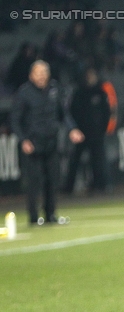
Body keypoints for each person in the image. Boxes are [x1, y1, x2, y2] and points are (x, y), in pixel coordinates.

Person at [10, 60, 84, 225]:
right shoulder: (24, 93)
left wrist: (72, 129)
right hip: (33, 144)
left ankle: (50, 214)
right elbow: (15, 120)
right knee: (34, 182)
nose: (41, 77)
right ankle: (33, 217)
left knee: (53, 179)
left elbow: (63, 113)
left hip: (51, 142)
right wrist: (23, 140)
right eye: (38, 73)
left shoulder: (54, 89)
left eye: (44, 73)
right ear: (31, 75)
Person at [64, 67, 111, 194]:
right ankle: (69, 187)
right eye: (88, 76)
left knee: (98, 160)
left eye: (92, 76)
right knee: (75, 160)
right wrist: (75, 129)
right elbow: (72, 111)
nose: (90, 79)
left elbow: (107, 113)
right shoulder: (79, 93)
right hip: (81, 133)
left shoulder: (100, 93)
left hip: (96, 134)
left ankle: (99, 185)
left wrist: (102, 129)